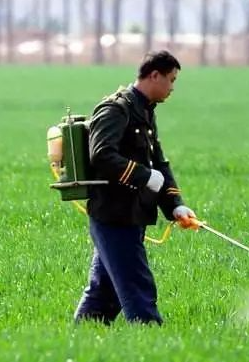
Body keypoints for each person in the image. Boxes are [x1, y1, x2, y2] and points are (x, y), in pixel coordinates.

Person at [74, 50, 199, 326]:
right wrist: (143, 176)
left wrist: (175, 204)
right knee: (138, 289)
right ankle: (152, 339)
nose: (173, 88)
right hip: (113, 216)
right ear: (154, 75)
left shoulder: (143, 112)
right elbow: (102, 154)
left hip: (131, 216)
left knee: (103, 295)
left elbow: (159, 163)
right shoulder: (115, 109)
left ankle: (80, 340)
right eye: (171, 80)